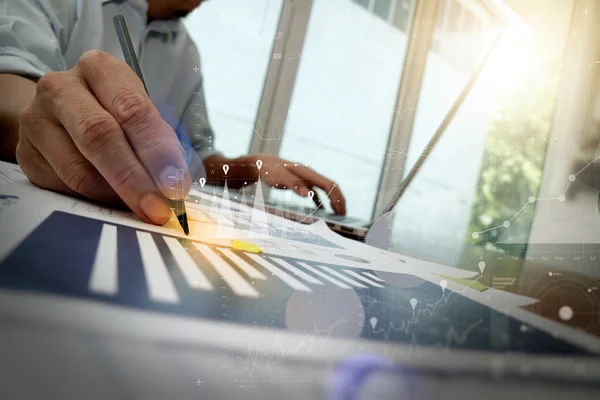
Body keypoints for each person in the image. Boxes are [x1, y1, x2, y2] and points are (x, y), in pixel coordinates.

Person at [0, 0, 346, 226]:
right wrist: (42, 123)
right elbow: (9, 92)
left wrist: (249, 167)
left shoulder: (185, 51)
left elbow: (195, 161)